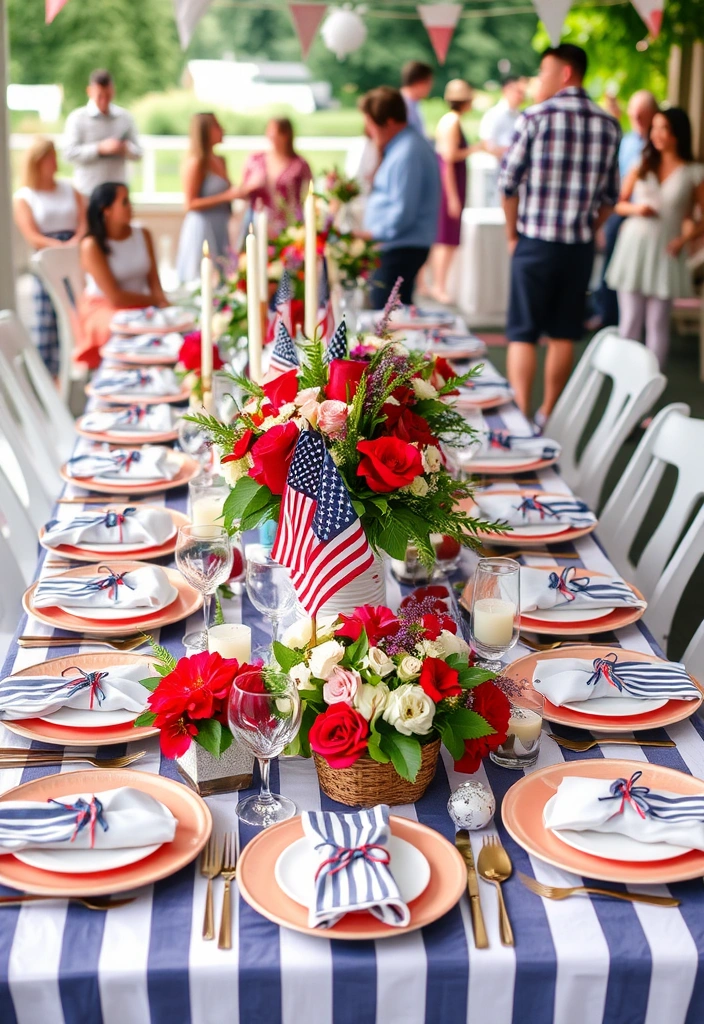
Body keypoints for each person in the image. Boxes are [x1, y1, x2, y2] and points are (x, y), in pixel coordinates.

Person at [498, 44, 621, 426]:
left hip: (534, 242)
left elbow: (507, 184)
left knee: (523, 333)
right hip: (578, 247)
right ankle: (548, 412)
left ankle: (519, 408)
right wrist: (587, 229)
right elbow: (611, 198)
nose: (539, 79)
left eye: (545, 71)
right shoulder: (609, 124)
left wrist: (512, 236)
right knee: (564, 333)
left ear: (566, 72)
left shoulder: (534, 117)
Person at [607, 107, 704, 370]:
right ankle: (621, 377)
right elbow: (619, 204)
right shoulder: (643, 163)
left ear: (678, 134)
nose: (658, 134)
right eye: (656, 128)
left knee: (658, 323)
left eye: (665, 128)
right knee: (629, 321)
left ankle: (649, 388)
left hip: (667, 249)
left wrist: (684, 240)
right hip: (634, 246)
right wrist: (638, 209)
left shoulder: (694, 172)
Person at [359, 86, 441, 308]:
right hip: (397, 246)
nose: (370, 131)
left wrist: (371, 233)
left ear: (390, 122)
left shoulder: (408, 152)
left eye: (373, 125)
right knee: (389, 316)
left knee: (386, 320)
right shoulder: (403, 146)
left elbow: (403, 210)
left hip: (400, 248)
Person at [13, 137, 85, 377]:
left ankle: (80, 367)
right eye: (49, 157)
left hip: (75, 258)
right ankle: (51, 378)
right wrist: (58, 247)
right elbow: (32, 236)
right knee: (49, 324)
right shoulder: (25, 196)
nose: (54, 162)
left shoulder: (69, 188)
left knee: (79, 314)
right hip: (47, 260)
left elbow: (84, 219)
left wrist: (75, 242)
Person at [77, 182, 167, 368]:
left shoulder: (143, 234)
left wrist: (162, 301)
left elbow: (154, 281)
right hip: (105, 309)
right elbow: (116, 297)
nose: (130, 206)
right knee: (128, 332)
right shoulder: (91, 245)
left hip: (141, 306)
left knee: (170, 327)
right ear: (106, 210)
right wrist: (155, 301)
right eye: (124, 202)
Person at [590, 89, 659, 329]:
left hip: (649, 217)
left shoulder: (657, 145)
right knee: (611, 266)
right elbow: (614, 184)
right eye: (634, 113)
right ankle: (608, 316)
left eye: (643, 113)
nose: (637, 118)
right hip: (622, 212)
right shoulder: (627, 142)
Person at [176, 113, 246, 283]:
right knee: (201, 281)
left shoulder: (220, 160)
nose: (223, 130)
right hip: (202, 227)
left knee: (223, 280)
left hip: (221, 226)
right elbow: (189, 204)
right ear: (205, 131)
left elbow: (229, 193)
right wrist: (227, 196)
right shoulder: (196, 163)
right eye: (217, 126)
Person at [429, 79, 481, 304]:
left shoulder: (451, 120)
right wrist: (452, 197)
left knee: (446, 238)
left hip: (451, 184)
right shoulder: (452, 122)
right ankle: (439, 286)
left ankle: (437, 284)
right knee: (446, 238)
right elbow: (448, 159)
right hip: (450, 186)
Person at [63, 70, 142, 198]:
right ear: (89, 91)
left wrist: (125, 149)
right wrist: (99, 149)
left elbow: (139, 153)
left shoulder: (125, 118)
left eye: (108, 95)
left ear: (113, 91)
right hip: (87, 192)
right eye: (100, 96)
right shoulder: (77, 118)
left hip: (117, 193)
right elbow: (68, 154)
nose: (104, 101)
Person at [241, 118, 312, 237]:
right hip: (258, 221)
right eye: (269, 130)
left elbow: (308, 195)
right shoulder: (255, 159)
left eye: (277, 131)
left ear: (287, 135)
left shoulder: (300, 165)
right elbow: (242, 192)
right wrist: (251, 186)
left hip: (289, 225)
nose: (272, 135)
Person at [479, 76, 526, 159]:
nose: (521, 96)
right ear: (505, 90)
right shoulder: (493, 114)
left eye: (522, 92)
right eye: (518, 92)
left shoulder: (521, 115)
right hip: (495, 166)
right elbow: (486, 144)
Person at [400, 61, 434, 137]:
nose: (431, 87)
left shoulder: (415, 103)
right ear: (419, 82)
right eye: (429, 82)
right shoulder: (400, 104)